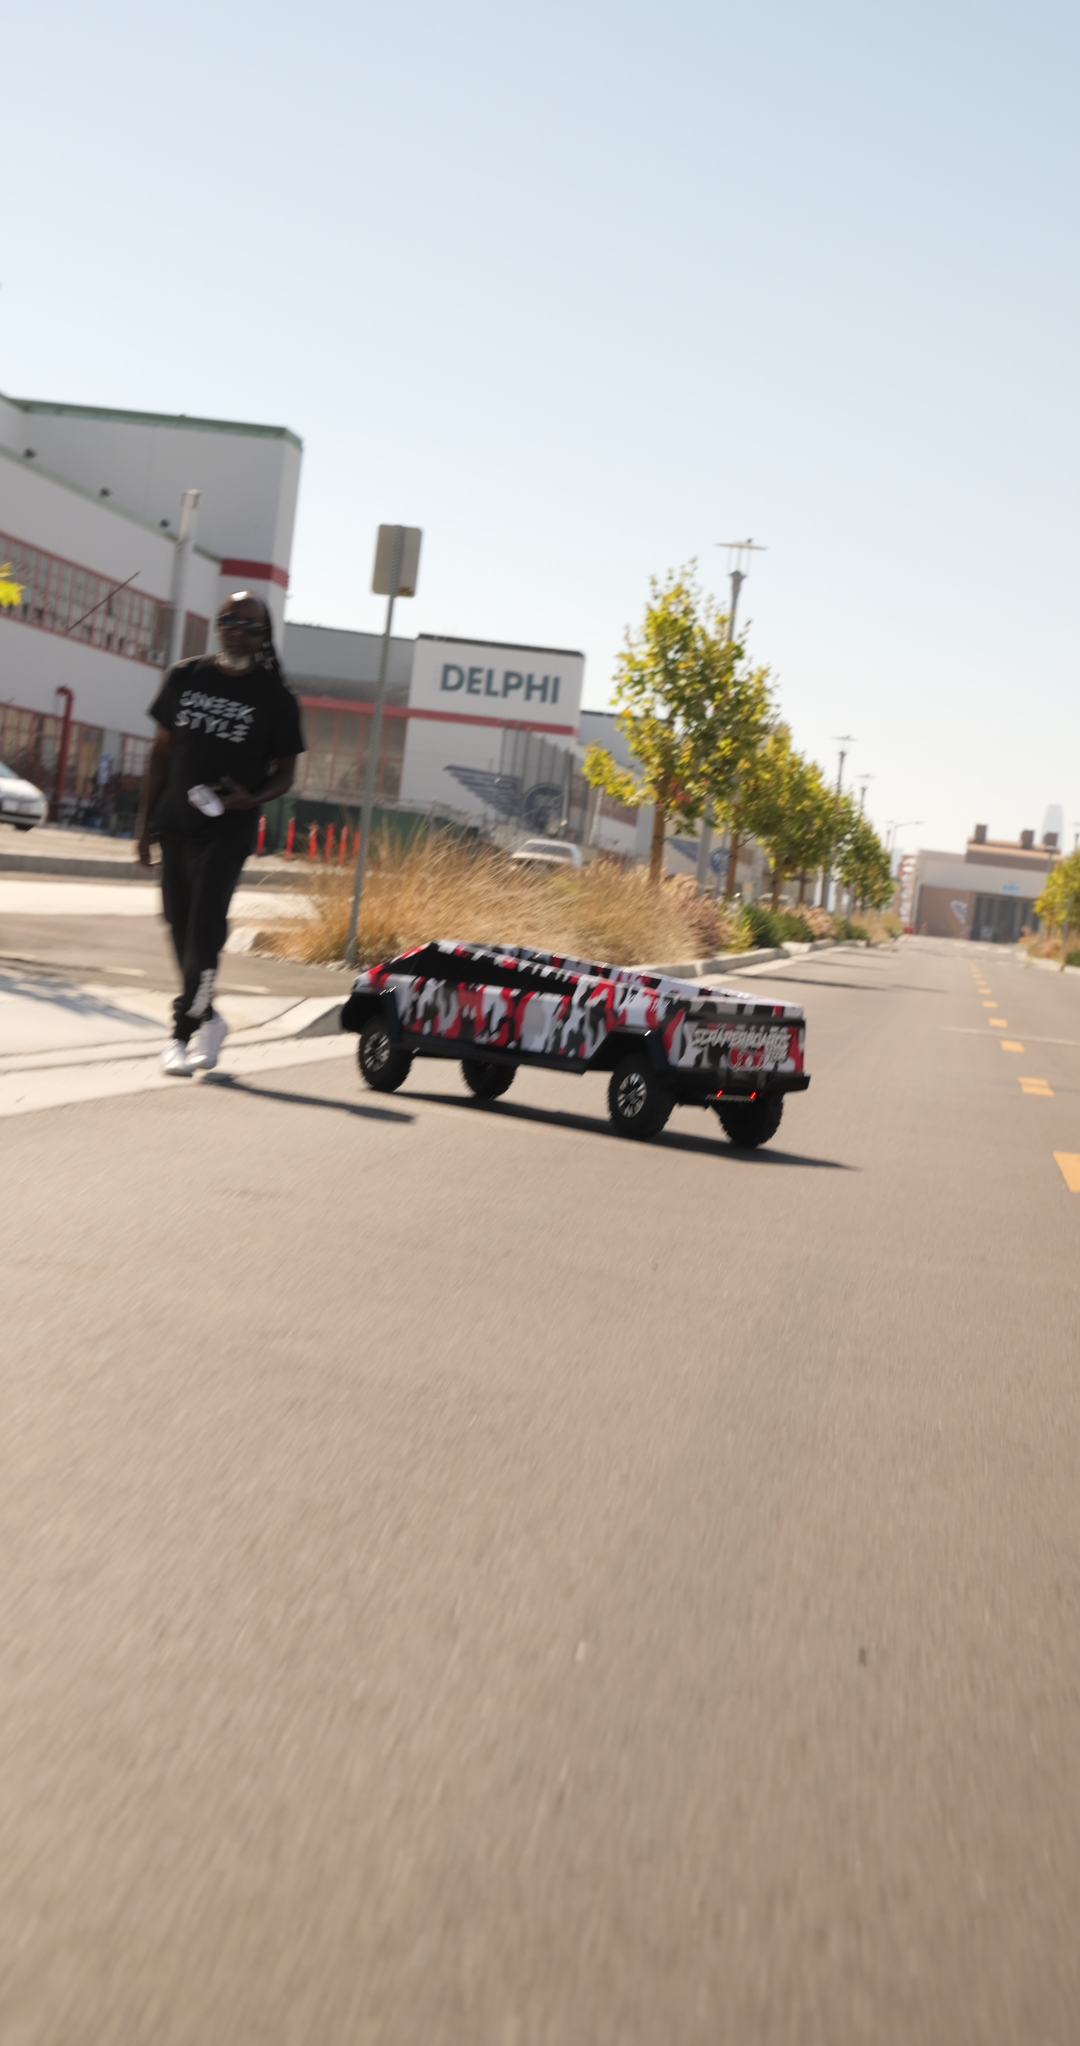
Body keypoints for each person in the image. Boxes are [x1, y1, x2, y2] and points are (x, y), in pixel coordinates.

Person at [135, 592, 305, 1075]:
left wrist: (251, 798)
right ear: (217, 626)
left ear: (263, 635)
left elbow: (285, 775)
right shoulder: (184, 677)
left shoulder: (277, 698)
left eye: (250, 624)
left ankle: (180, 1033)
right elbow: (160, 755)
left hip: (229, 829)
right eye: (229, 620)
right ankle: (209, 1016)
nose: (237, 629)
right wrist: (143, 825)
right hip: (175, 824)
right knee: (179, 925)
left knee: (205, 927)